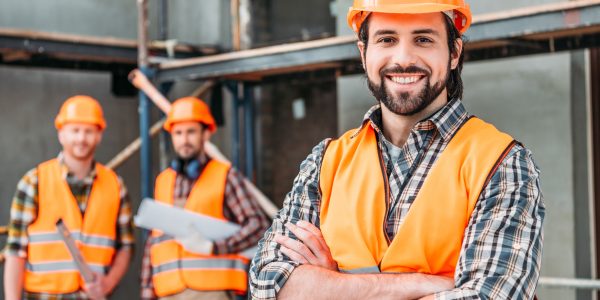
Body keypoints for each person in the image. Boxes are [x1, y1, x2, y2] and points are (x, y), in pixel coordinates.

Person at [250, 0, 545, 299]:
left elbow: (492, 295)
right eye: (387, 39)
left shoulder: (501, 163)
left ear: (454, 53)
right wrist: (415, 285)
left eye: (423, 39)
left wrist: (331, 284)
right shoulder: (325, 163)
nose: (403, 58)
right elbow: (266, 286)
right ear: (364, 53)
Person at [3, 95, 134, 300]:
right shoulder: (34, 182)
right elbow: (15, 251)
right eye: (75, 130)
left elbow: (126, 246)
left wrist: (108, 284)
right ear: (61, 134)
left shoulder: (115, 186)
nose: (81, 138)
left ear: (99, 135)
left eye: (89, 131)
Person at [140, 97, 271, 300]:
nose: (184, 140)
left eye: (191, 132)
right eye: (178, 133)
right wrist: (147, 288)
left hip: (211, 292)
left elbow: (258, 225)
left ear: (206, 133)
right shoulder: (163, 181)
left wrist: (214, 247)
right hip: (167, 291)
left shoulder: (225, 175)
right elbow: (155, 240)